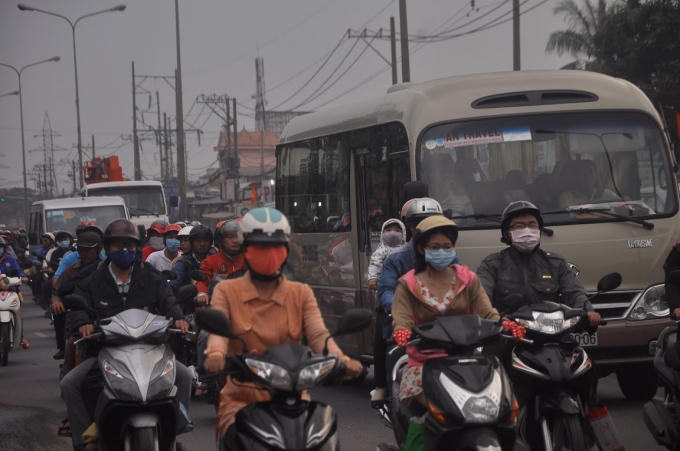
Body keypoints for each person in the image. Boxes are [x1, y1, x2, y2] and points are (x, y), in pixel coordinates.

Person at [202, 207, 364, 442]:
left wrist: (343, 360)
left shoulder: (300, 292)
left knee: (323, 434)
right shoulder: (226, 290)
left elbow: (319, 335)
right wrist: (216, 354)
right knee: (233, 436)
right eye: (260, 248)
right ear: (245, 249)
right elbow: (219, 333)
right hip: (242, 396)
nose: (268, 254)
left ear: (286, 251)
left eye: (275, 247)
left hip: (294, 397)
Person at [60, 219, 191, 451]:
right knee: (70, 384)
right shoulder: (93, 280)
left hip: (151, 349)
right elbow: (78, 306)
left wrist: (178, 318)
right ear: (107, 247)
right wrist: (82, 323)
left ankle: (177, 423)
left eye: (129, 245)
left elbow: (168, 301)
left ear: (137, 247)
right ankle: (85, 440)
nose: (124, 250)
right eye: (118, 244)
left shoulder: (151, 277)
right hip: (104, 351)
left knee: (185, 375)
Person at [390, 215, 500, 449]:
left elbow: (489, 314)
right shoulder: (407, 284)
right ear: (422, 249)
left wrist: (506, 326)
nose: (442, 251)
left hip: (469, 360)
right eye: (435, 247)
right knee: (431, 412)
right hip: (424, 363)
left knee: (498, 406)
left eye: (447, 246)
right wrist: (402, 332)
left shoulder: (468, 279)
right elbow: (402, 320)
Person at [373, 197, 447, 411]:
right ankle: (384, 388)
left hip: (441, 325)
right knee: (395, 352)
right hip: (408, 322)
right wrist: (398, 307)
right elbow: (386, 290)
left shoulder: (448, 257)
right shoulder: (396, 259)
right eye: (422, 223)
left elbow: (465, 287)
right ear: (412, 228)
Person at [195, 219, 245, 304]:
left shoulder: (249, 260)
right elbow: (202, 280)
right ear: (221, 240)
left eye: (238, 237)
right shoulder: (210, 262)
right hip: (218, 304)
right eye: (230, 237)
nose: (235, 240)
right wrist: (202, 293)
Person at [48, 231, 76, 360]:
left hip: (98, 299)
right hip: (73, 293)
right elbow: (57, 278)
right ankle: (62, 348)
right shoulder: (70, 258)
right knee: (59, 312)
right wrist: (56, 296)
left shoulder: (104, 258)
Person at [171, 225, 212, 293]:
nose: (202, 244)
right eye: (198, 241)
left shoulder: (215, 260)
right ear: (192, 242)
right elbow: (173, 284)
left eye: (205, 240)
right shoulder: (183, 262)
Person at [367, 218, 406, 290]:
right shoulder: (381, 251)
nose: (392, 233)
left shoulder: (406, 249)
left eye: (397, 231)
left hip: (404, 284)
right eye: (388, 230)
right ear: (382, 233)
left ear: (403, 234)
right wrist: (373, 278)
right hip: (386, 284)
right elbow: (375, 264)